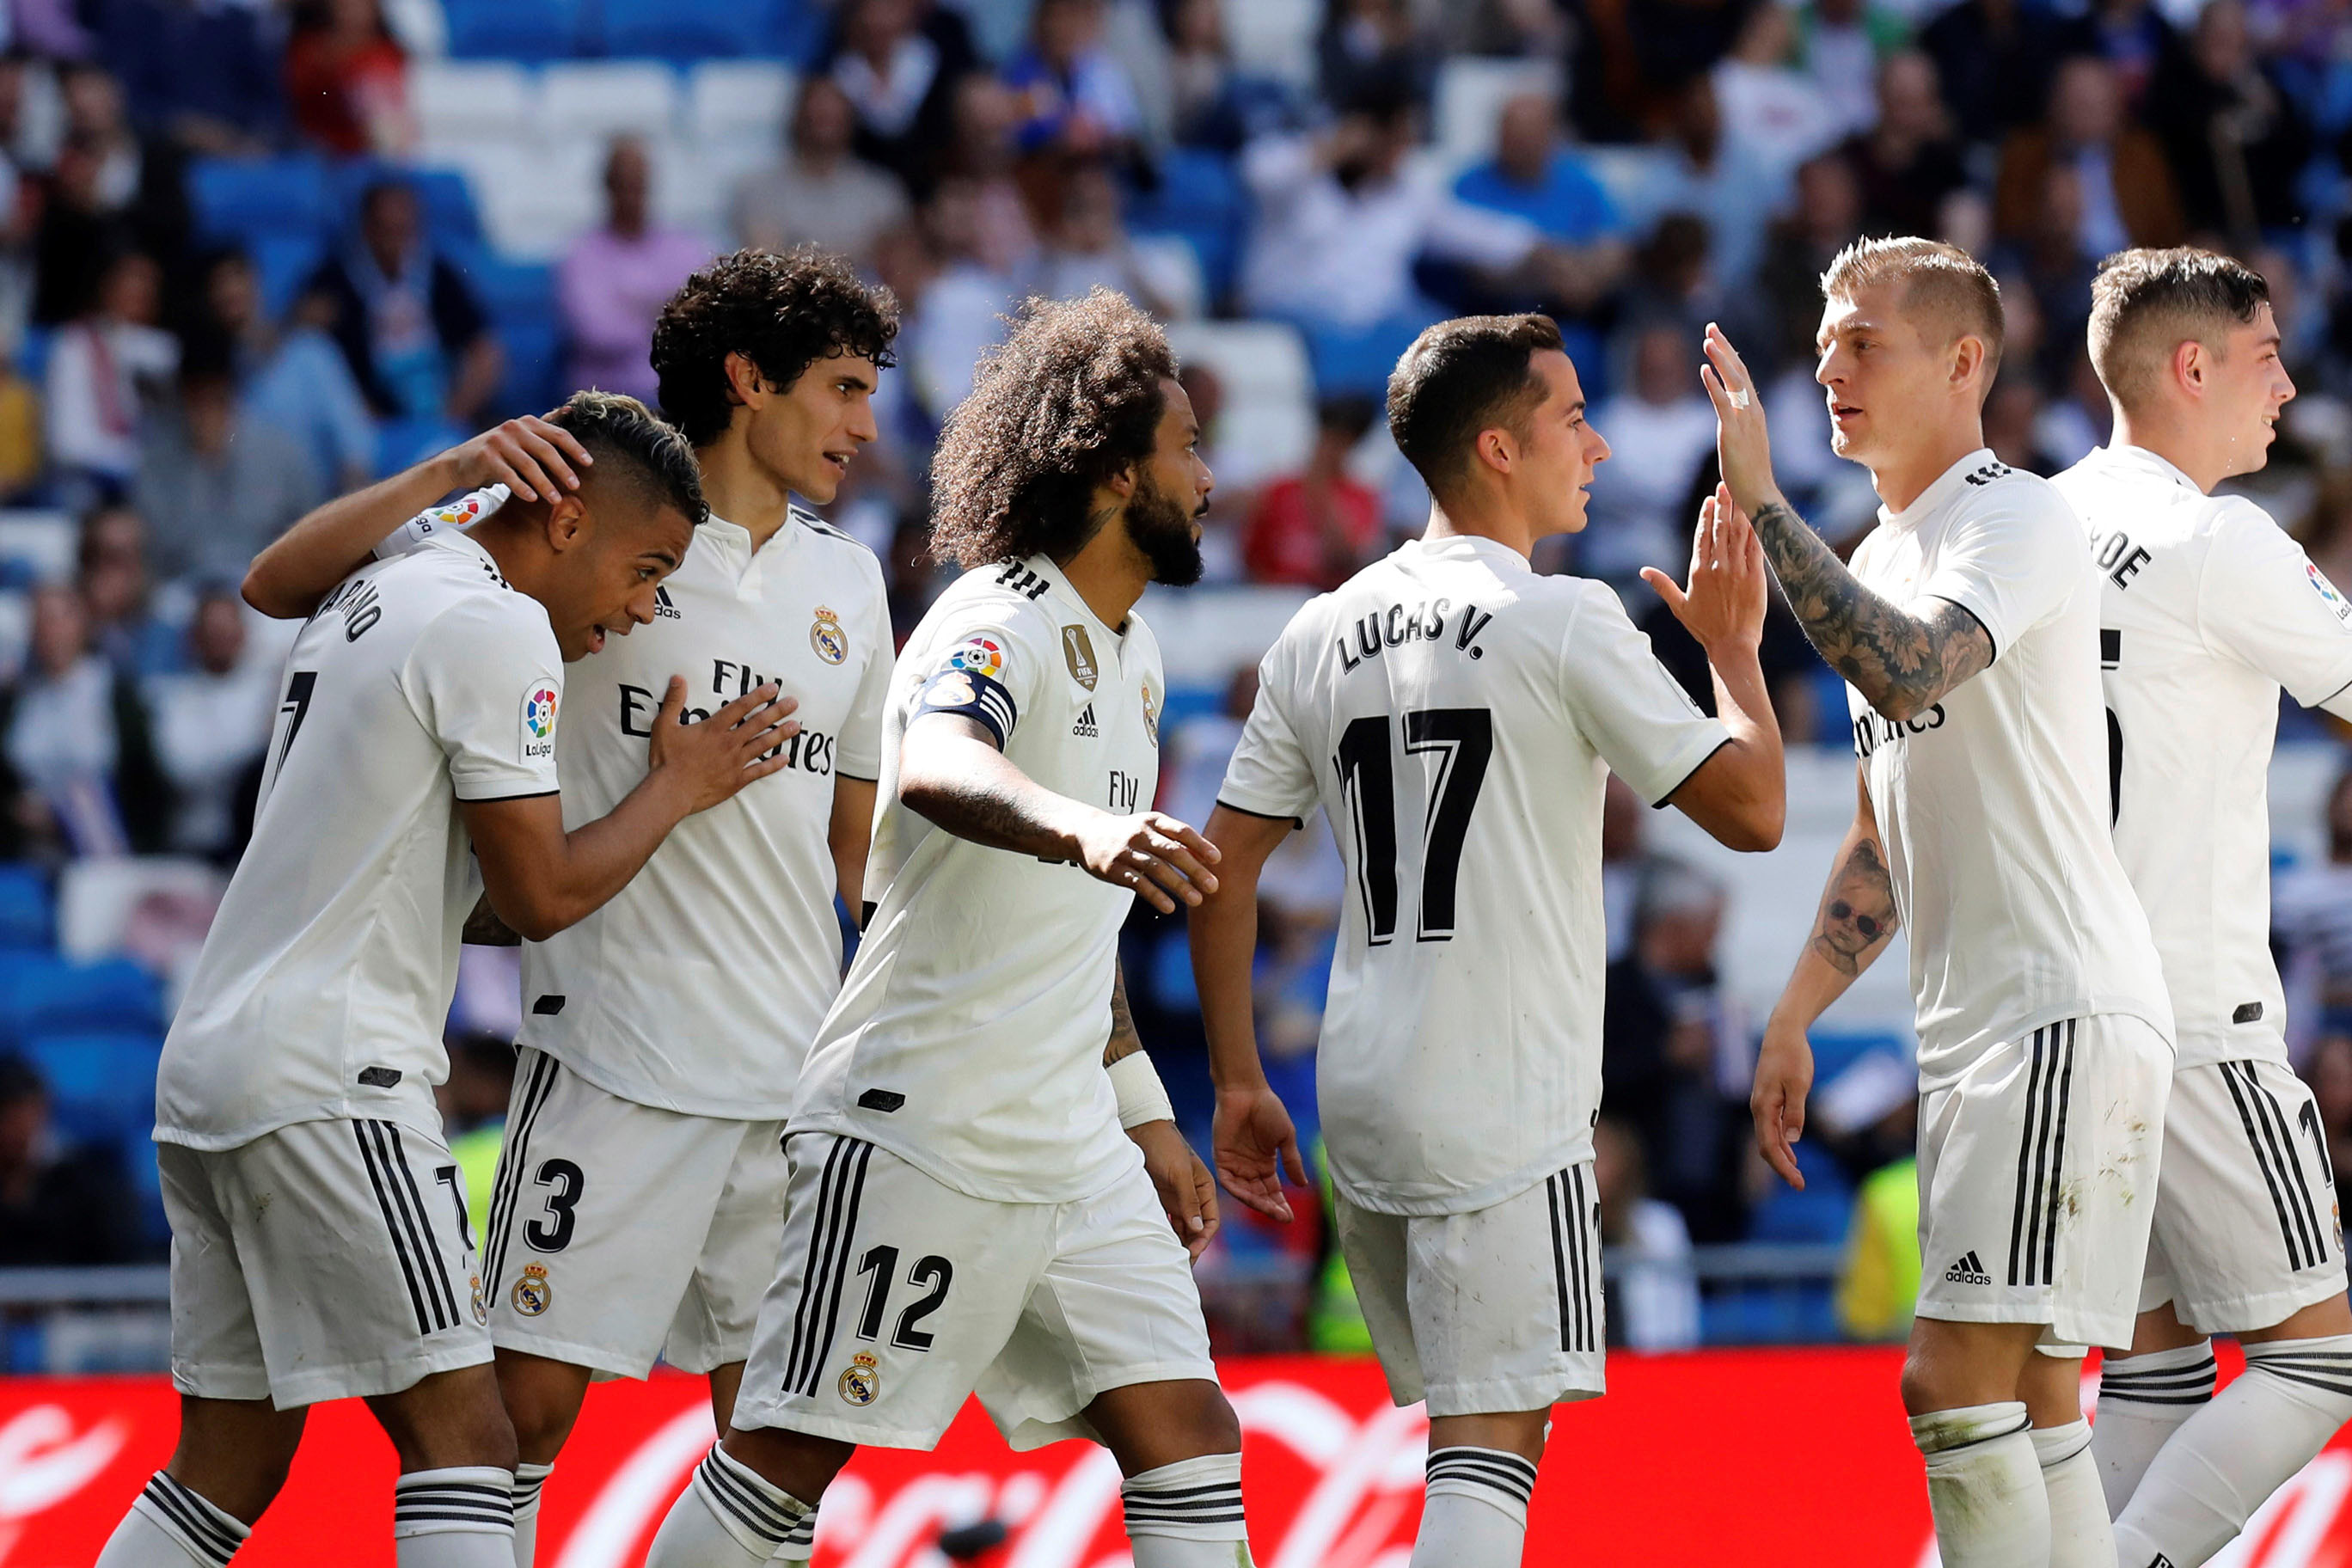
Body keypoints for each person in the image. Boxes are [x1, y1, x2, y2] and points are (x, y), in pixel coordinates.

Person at [242, 247, 904, 1566]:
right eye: (839, 388)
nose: (864, 424)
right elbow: (286, 588)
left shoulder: (855, 585)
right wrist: (446, 472)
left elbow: (860, 856)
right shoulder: (586, 534)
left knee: (774, 1452)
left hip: (789, 1073)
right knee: (518, 1425)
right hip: (614, 1055)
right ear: (746, 382)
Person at [91, 391, 799, 1568]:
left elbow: (271, 580)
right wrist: (681, 784)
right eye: (647, 569)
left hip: (214, 1065)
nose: (640, 613)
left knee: (227, 1464)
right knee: (467, 1440)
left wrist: (450, 470)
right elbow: (539, 898)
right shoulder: (495, 628)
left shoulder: (390, 576)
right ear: (564, 519)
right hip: (334, 1074)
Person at [643, 289, 1246, 1568]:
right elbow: (934, 768)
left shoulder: (1131, 657)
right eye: (1191, 449)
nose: (1213, 481)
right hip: (925, 1123)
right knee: (781, 1467)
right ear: (1113, 469)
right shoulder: (997, 615)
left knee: (1192, 1440)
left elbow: (1081, 944)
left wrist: (1144, 1115)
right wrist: (1084, 830)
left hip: (1070, 1141)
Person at [1191, 311, 1784, 1568]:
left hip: (1361, 1093)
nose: (1603, 446)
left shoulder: (1317, 630)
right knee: (1486, 1459)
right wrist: (1733, 648)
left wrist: (1241, 1076)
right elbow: (1757, 813)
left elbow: (1221, 867)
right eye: (1576, 419)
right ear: (1502, 447)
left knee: (1465, 1447)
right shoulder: (1562, 615)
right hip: (1502, 1100)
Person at [1713, 238, 2173, 1568]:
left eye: (1864, 340)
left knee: (1948, 1388)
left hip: (2056, 1006)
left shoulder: (2014, 515)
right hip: (1989, 1022)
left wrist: (1766, 509)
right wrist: (1798, 1010)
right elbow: (1881, 828)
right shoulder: (1884, 546)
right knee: (2029, 1407)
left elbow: (1911, 673)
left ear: (1965, 361)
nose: (1826, 366)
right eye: (1822, 341)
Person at [2051, 248, 2352, 1568]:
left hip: (2051, 1017)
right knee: (2322, 1361)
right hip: (2191, 1015)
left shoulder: (2025, 527)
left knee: (2159, 1369)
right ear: (2192, 367)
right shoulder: (2219, 537)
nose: (2287, 387)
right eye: (2268, 356)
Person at [306, 180, 501, 428]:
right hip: (370, 424)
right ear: (366, 228)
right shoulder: (333, 281)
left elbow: (485, 353)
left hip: (445, 413)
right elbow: (315, 360)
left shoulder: (440, 275)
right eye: (386, 230)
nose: (396, 241)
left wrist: (449, 417)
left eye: (404, 230)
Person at [558, 138, 711, 407]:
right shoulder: (582, 255)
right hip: (608, 410)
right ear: (607, 186)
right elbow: (597, 334)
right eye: (623, 184)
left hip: (679, 404)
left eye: (638, 184)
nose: (631, 194)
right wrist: (666, 308)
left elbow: (705, 322)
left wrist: (630, 306)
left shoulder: (683, 248)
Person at [142, 586, 277, 862]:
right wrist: (258, 743)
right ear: (194, 638)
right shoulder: (175, 699)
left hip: (261, 839)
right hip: (198, 843)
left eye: (228, 628)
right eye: (212, 630)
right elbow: (181, 768)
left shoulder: (269, 687)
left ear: (244, 632)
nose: (221, 638)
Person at [730, 77, 910, 266]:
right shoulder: (758, 189)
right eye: (816, 116)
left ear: (850, 121)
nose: (823, 123)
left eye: (832, 118)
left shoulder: (883, 193)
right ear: (798, 118)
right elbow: (764, 258)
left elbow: (895, 265)